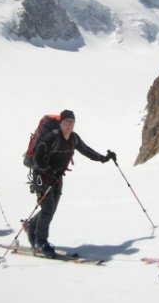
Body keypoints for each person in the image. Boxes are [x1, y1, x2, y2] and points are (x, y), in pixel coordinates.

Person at [27, 110, 116, 257]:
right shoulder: (51, 137)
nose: (69, 125)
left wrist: (103, 158)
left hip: (57, 178)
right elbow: (37, 158)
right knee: (48, 208)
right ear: (60, 123)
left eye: (72, 122)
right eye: (66, 122)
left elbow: (86, 150)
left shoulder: (73, 138)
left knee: (51, 209)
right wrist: (47, 172)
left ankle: (32, 226)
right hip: (42, 177)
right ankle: (41, 242)